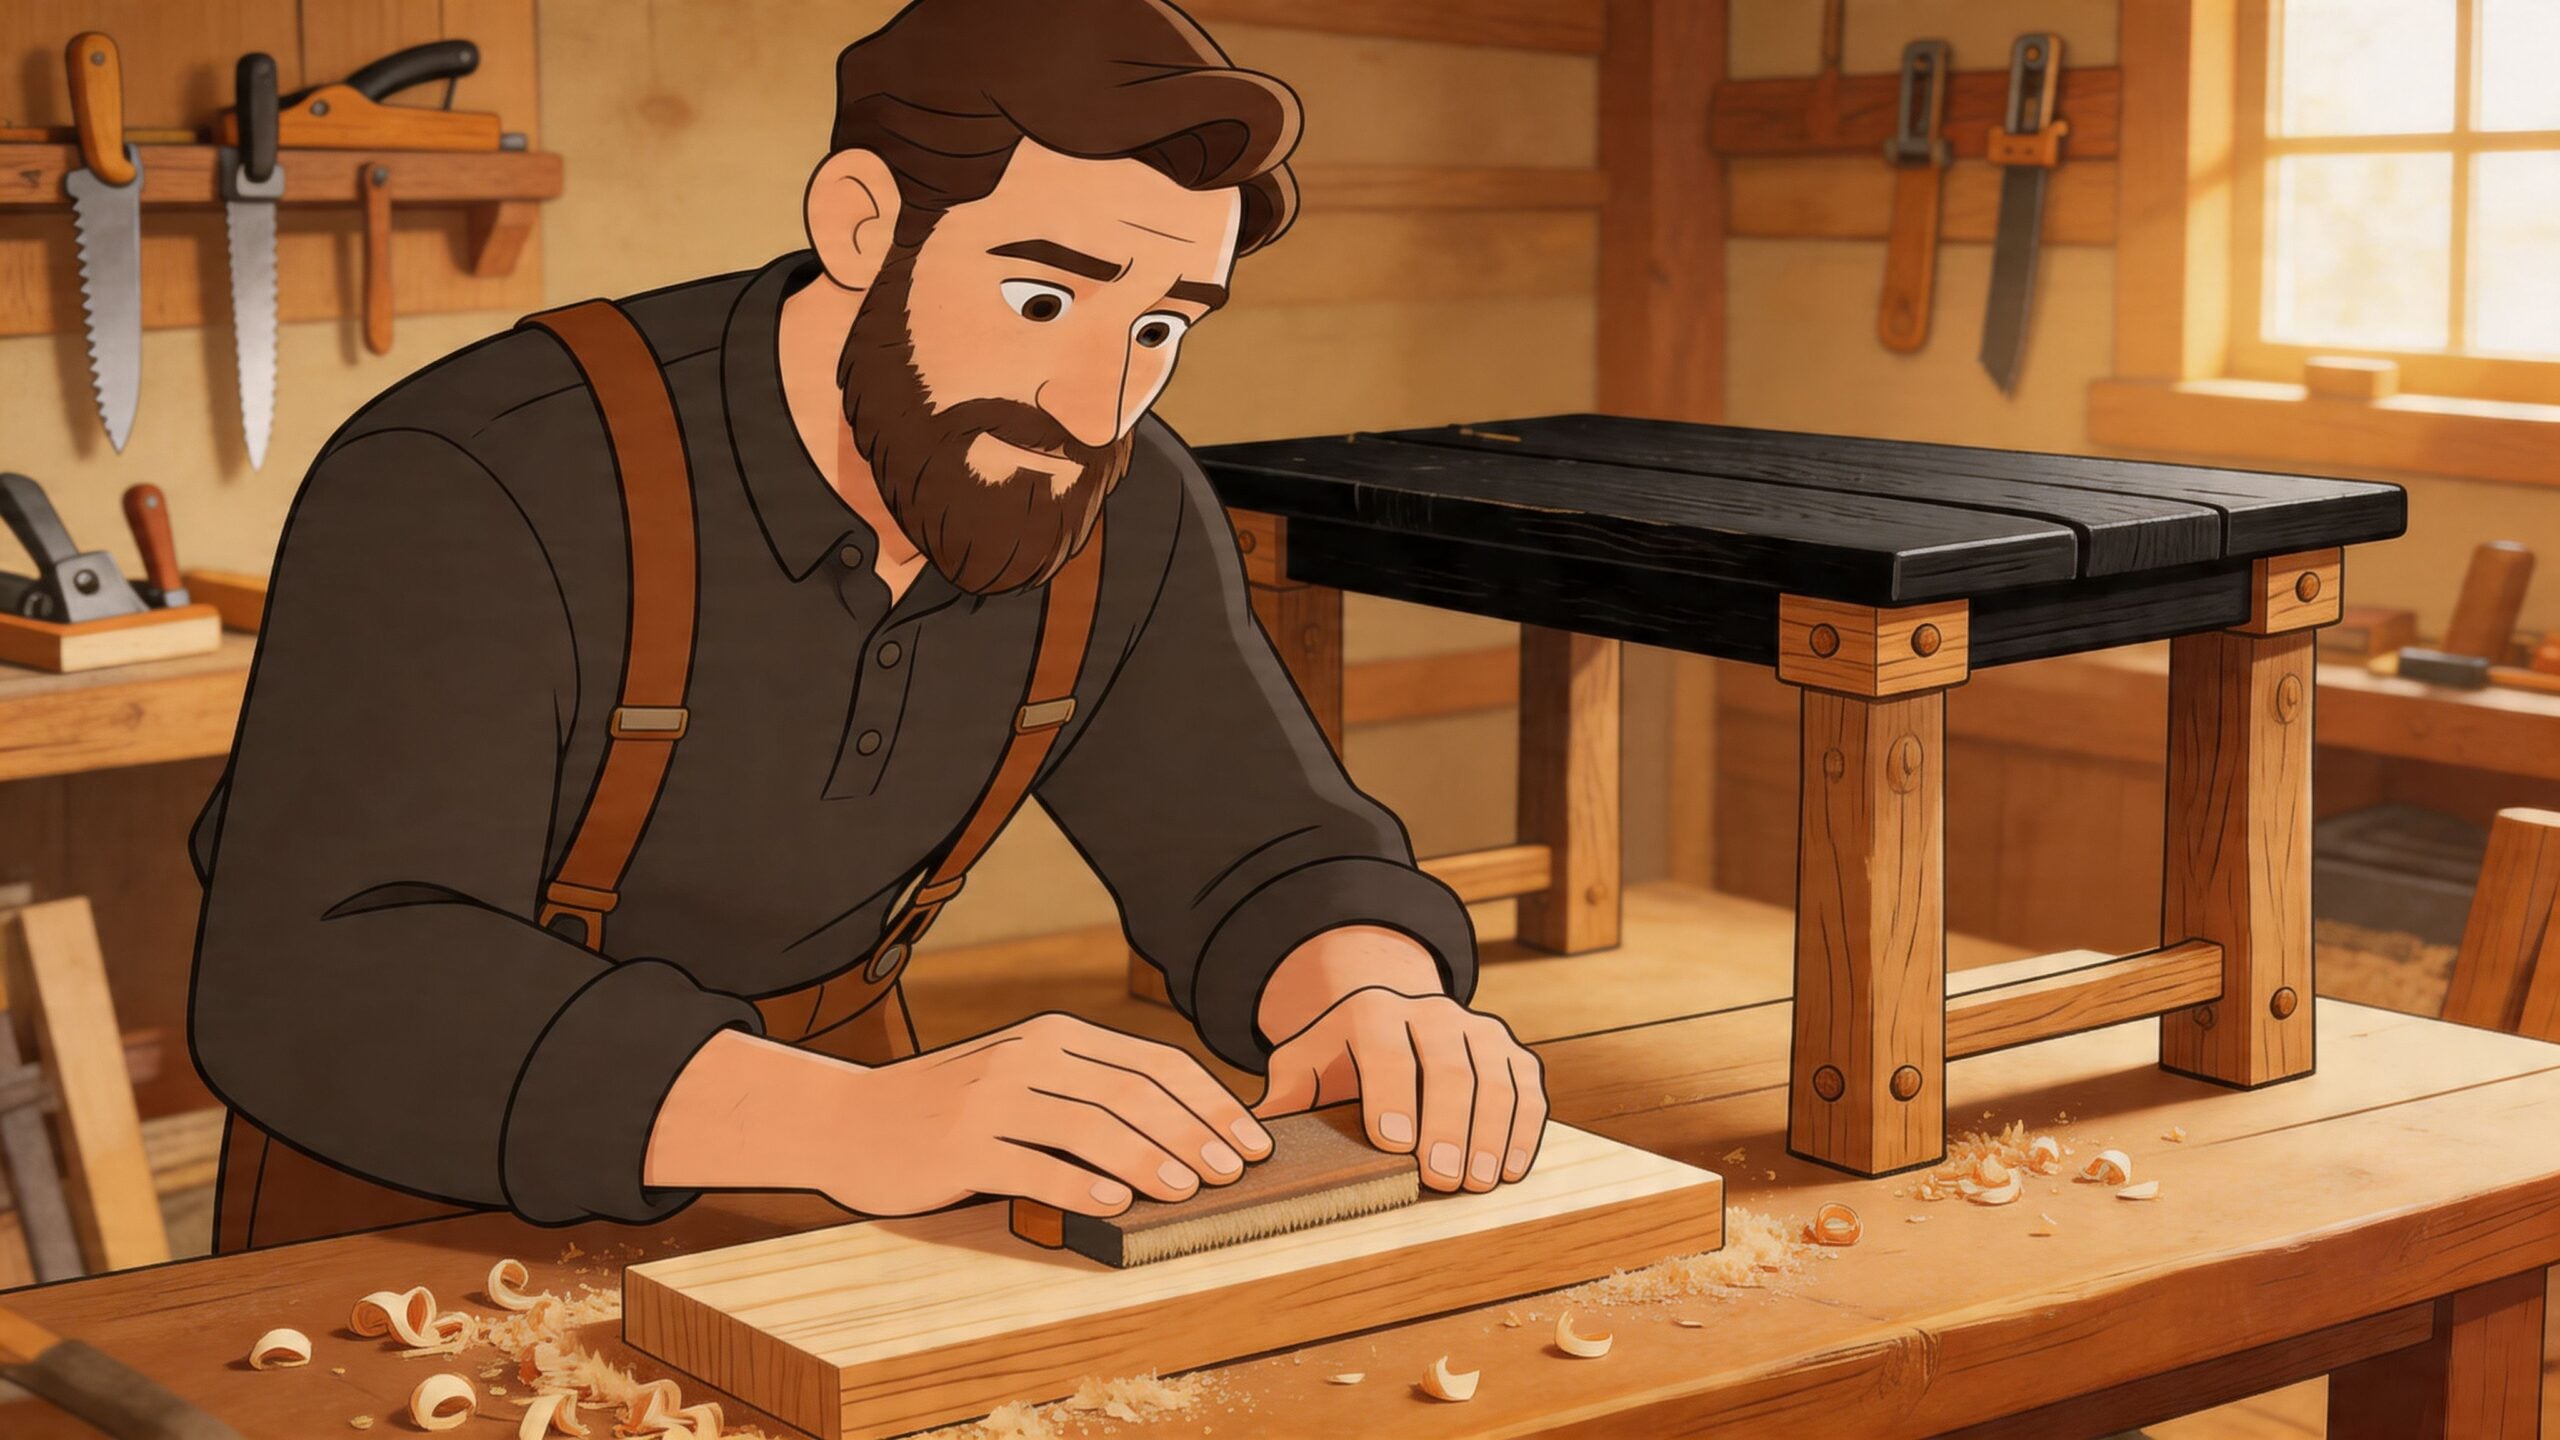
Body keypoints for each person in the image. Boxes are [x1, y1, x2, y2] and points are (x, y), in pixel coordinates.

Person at [188, 0, 1548, 1251]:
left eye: (1158, 328)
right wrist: (847, 1123)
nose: (1095, 403)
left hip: (857, 1183)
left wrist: (1369, 995)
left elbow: (1260, 840)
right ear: (861, 224)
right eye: (1043, 299)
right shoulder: (476, 473)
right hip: (419, 1217)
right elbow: (321, 974)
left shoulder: (1115, 502)